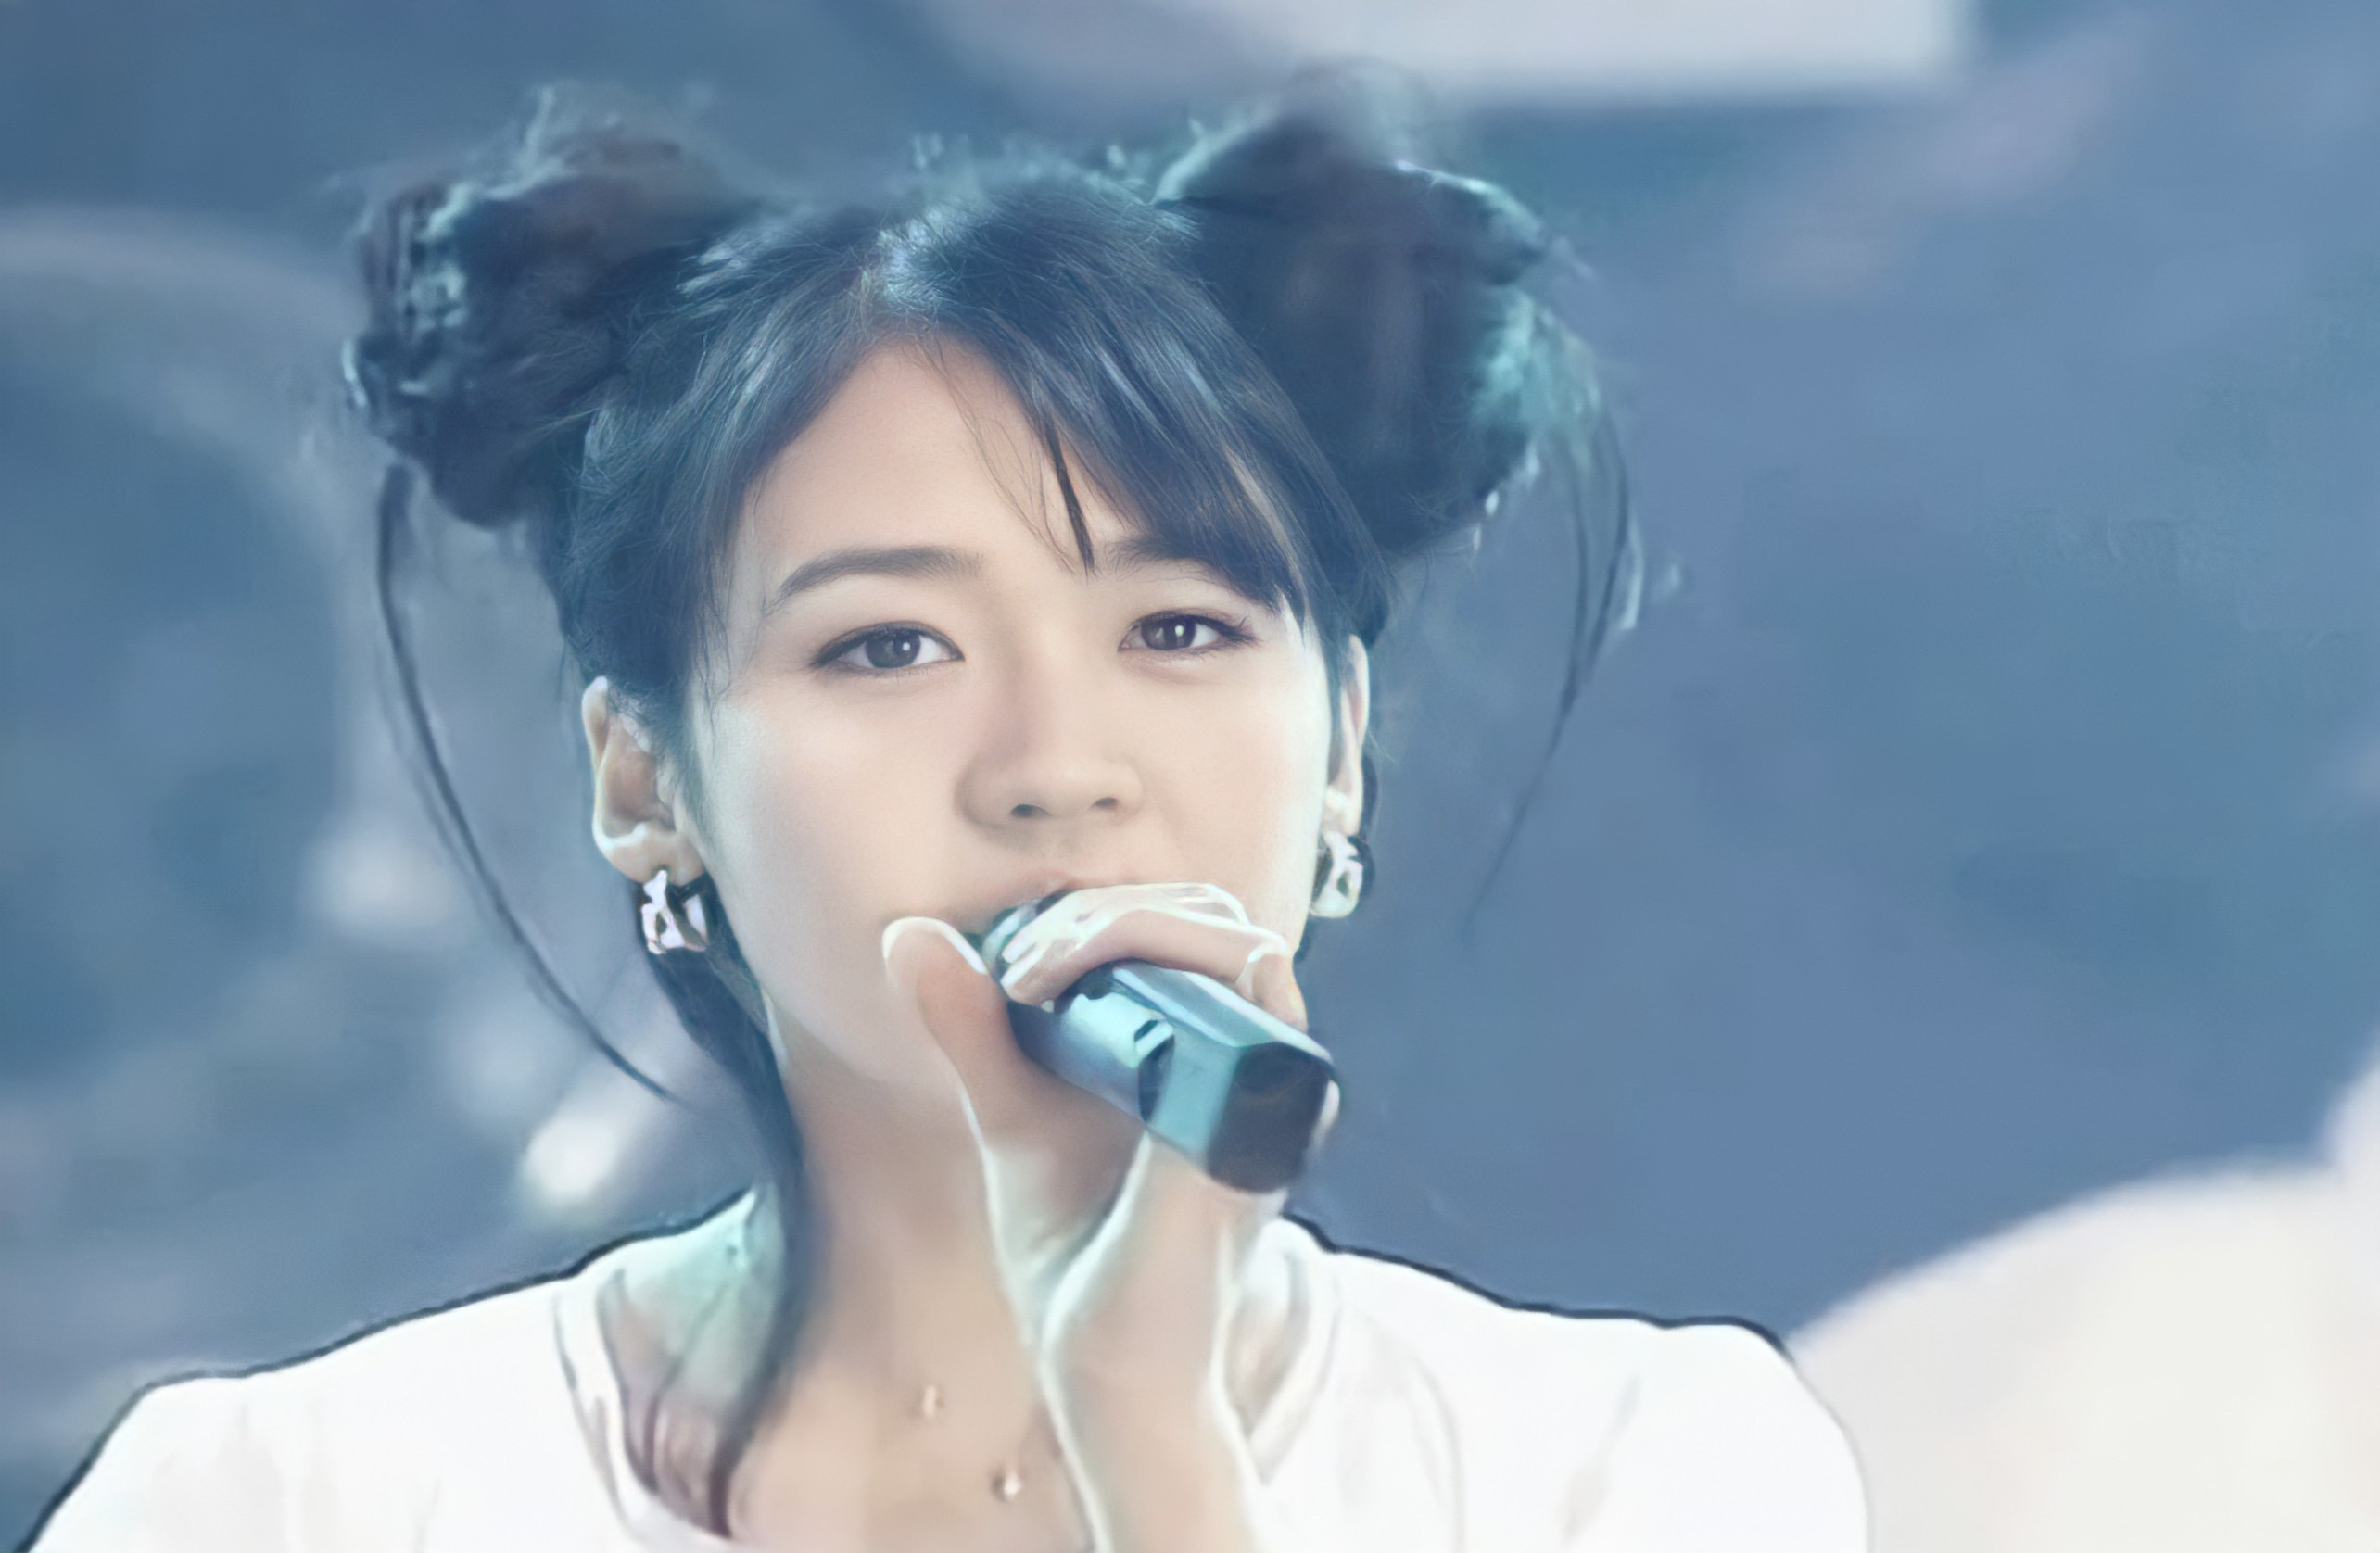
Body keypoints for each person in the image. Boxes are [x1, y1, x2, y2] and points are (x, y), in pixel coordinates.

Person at [27, 83, 1866, 1553]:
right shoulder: (285, 1503)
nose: (1055, 764)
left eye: (1179, 629)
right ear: (646, 782)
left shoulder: (1626, 1475)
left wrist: (1150, 1440)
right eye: (888, 645)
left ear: (1341, 753)